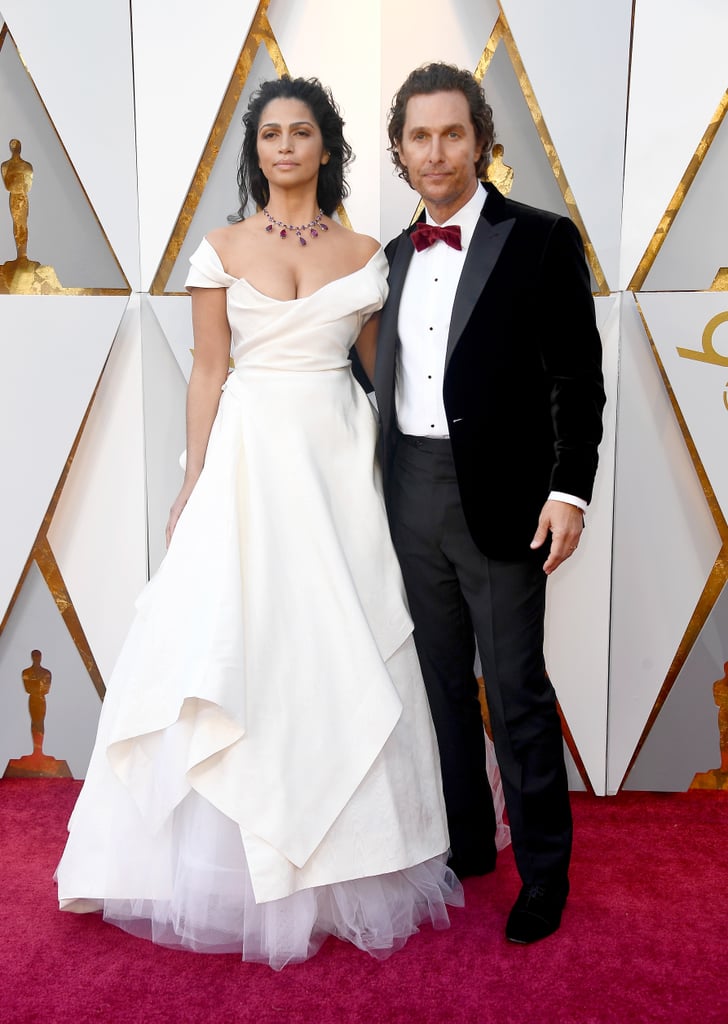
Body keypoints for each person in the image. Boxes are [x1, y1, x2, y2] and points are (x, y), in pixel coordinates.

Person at [55, 75, 462, 969]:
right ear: (258, 149)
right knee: (241, 643)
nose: (285, 146)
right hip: (246, 461)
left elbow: (381, 373)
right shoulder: (221, 247)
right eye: (271, 133)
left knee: (336, 643)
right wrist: (193, 479)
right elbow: (207, 370)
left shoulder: (363, 251)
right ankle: (230, 863)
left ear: (327, 147)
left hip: (336, 463)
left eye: (302, 132)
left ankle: (350, 855)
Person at [373, 63, 606, 944]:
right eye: (419, 136)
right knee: (437, 689)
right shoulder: (391, 257)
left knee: (514, 693)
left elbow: (576, 380)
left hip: (507, 503)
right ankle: (467, 844)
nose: (436, 152)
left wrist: (568, 490)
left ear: (482, 141)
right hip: (408, 498)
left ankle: (544, 875)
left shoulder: (542, 239)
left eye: (452, 133)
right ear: (400, 151)